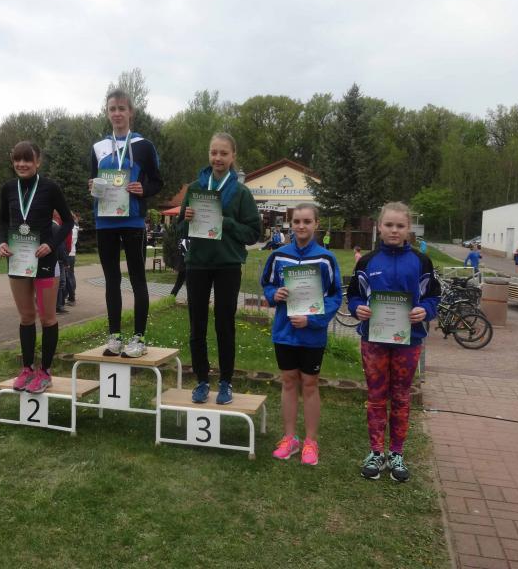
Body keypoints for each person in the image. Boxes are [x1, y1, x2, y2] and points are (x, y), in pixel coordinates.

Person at [348, 202, 441, 482]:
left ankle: (397, 453)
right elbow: (354, 295)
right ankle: (376, 452)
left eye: (400, 226)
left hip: (409, 341)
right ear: (379, 227)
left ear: (408, 229)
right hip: (373, 339)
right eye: (389, 225)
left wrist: (425, 310)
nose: (394, 230)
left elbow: (433, 296)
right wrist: (357, 309)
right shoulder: (367, 262)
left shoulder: (421, 262)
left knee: (401, 397)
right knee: (376, 396)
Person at [178, 133, 261, 405]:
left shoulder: (241, 192)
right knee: (197, 325)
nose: (218, 158)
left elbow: (253, 233)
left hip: (228, 265)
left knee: (225, 325)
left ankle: (226, 381)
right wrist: (186, 220)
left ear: (233, 156)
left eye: (224, 153)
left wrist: (226, 221)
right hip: (198, 264)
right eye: (214, 152)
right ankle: (201, 380)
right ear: (208, 154)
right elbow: (180, 230)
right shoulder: (195, 189)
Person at [261, 203, 342, 466]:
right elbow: (267, 284)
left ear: (316, 224)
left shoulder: (326, 259)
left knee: (309, 384)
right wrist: (275, 294)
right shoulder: (279, 255)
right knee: (288, 382)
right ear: (290, 224)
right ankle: (289, 438)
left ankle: (310, 441)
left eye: (307, 221)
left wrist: (312, 320)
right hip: (284, 332)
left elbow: (335, 296)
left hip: (312, 334)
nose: (301, 226)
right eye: (297, 221)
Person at [89, 88, 163, 358]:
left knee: (137, 278)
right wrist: (92, 186)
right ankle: (115, 337)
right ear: (107, 113)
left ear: (131, 112)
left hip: (132, 220)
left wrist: (144, 189)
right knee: (111, 280)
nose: (117, 113)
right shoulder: (98, 147)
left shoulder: (144, 145)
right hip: (105, 221)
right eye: (112, 109)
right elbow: (93, 181)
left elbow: (157, 181)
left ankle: (139, 338)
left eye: (122, 108)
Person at [0, 141, 74, 395]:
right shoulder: (8, 188)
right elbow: (2, 222)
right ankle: (27, 369)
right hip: (18, 261)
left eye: (27, 160)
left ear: (38, 162)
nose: (22, 164)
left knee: (47, 317)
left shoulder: (50, 187)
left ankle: (46, 371)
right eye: (17, 160)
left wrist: (51, 245)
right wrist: (1, 242)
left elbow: (68, 222)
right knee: (26, 317)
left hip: (45, 261)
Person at [66, 212, 79, 305]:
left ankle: (72, 296)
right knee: (70, 274)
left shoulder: (72, 228)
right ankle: (70, 295)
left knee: (69, 275)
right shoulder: (73, 227)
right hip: (70, 253)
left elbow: (70, 241)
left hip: (69, 254)